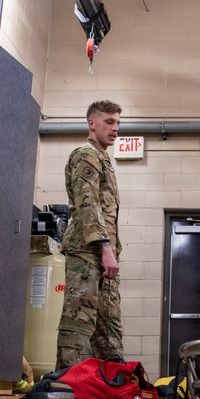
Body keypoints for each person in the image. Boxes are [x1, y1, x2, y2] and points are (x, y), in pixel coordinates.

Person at [55, 100, 125, 369]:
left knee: (109, 323)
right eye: (109, 122)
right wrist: (105, 249)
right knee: (78, 321)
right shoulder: (86, 154)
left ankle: (116, 385)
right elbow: (88, 204)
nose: (115, 128)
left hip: (103, 255)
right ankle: (64, 388)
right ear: (91, 123)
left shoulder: (103, 158)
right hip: (88, 251)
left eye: (118, 122)